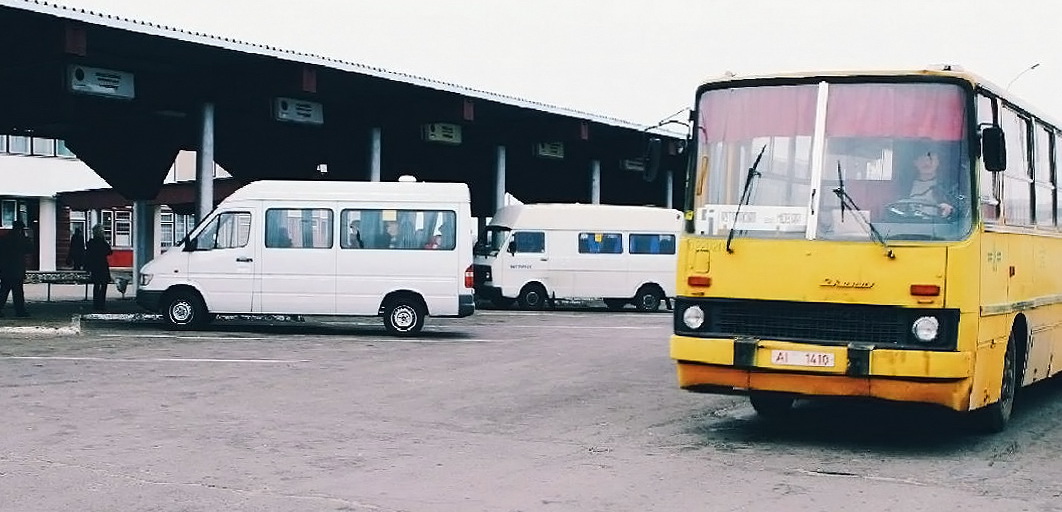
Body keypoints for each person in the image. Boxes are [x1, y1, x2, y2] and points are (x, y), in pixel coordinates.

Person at [902, 150, 955, 218]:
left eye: (931, 159)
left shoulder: (948, 186)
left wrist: (950, 210)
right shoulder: (905, 187)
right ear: (915, 162)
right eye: (922, 159)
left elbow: (962, 212)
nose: (927, 163)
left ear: (938, 162)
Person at [0, 220, 31, 318]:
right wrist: (26, 237)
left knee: (4, 291)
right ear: (21, 229)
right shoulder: (22, 239)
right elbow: (29, 249)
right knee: (18, 292)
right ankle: (20, 311)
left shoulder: (5, 239)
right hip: (17, 270)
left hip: (6, 270)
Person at [85, 224, 112, 312]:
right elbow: (109, 252)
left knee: (96, 286)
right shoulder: (103, 242)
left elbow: (88, 255)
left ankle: (96, 304)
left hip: (95, 266)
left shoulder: (91, 243)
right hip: (102, 265)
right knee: (104, 285)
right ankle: (102, 304)